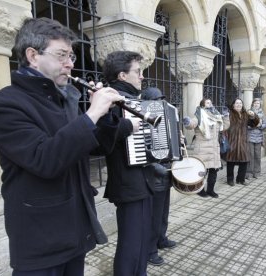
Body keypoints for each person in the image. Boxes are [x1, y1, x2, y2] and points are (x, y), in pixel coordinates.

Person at [0, 18, 124, 275]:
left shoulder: (65, 98)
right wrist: (91, 114)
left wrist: (106, 117)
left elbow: (95, 149)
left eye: (71, 55)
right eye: (62, 55)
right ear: (33, 56)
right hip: (41, 237)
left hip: (76, 228)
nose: (70, 63)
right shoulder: (5, 104)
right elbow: (44, 160)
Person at [101, 51, 154, 276]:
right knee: (131, 242)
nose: (141, 77)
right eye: (137, 72)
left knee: (142, 237)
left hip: (142, 180)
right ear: (122, 75)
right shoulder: (110, 99)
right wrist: (126, 127)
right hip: (127, 181)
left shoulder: (134, 100)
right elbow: (101, 140)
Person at [140, 87, 177, 266]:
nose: (159, 103)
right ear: (146, 101)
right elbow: (142, 149)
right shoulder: (141, 118)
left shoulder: (165, 118)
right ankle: (150, 250)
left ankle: (161, 239)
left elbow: (171, 142)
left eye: (161, 99)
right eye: (155, 100)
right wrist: (155, 165)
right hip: (153, 174)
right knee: (154, 216)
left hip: (166, 171)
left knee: (163, 212)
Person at [183, 98, 229, 197]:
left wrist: (225, 116)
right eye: (208, 102)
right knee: (202, 171)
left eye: (211, 102)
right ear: (203, 105)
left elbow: (224, 126)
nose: (210, 104)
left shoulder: (216, 116)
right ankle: (200, 190)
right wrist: (187, 122)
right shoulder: (199, 115)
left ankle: (210, 190)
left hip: (214, 149)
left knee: (213, 171)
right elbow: (192, 124)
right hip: (202, 149)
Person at [225, 98, 259, 186]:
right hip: (232, 141)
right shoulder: (229, 114)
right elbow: (224, 127)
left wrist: (253, 116)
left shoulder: (245, 114)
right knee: (230, 161)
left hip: (243, 141)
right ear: (233, 105)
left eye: (240, 103)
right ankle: (230, 179)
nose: (239, 105)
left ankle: (241, 179)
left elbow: (254, 124)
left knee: (244, 161)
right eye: (237, 103)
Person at [246, 98, 266, 179]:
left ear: (260, 105)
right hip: (250, 136)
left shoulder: (262, 113)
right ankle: (249, 173)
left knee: (257, 156)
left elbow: (265, 124)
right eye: (255, 103)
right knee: (250, 155)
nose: (256, 104)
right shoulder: (248, 113)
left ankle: (257, 172)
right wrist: (252, 126)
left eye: (258, 103)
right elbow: (245, 124)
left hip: (259, 137)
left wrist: (260, 126)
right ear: (252, 104)